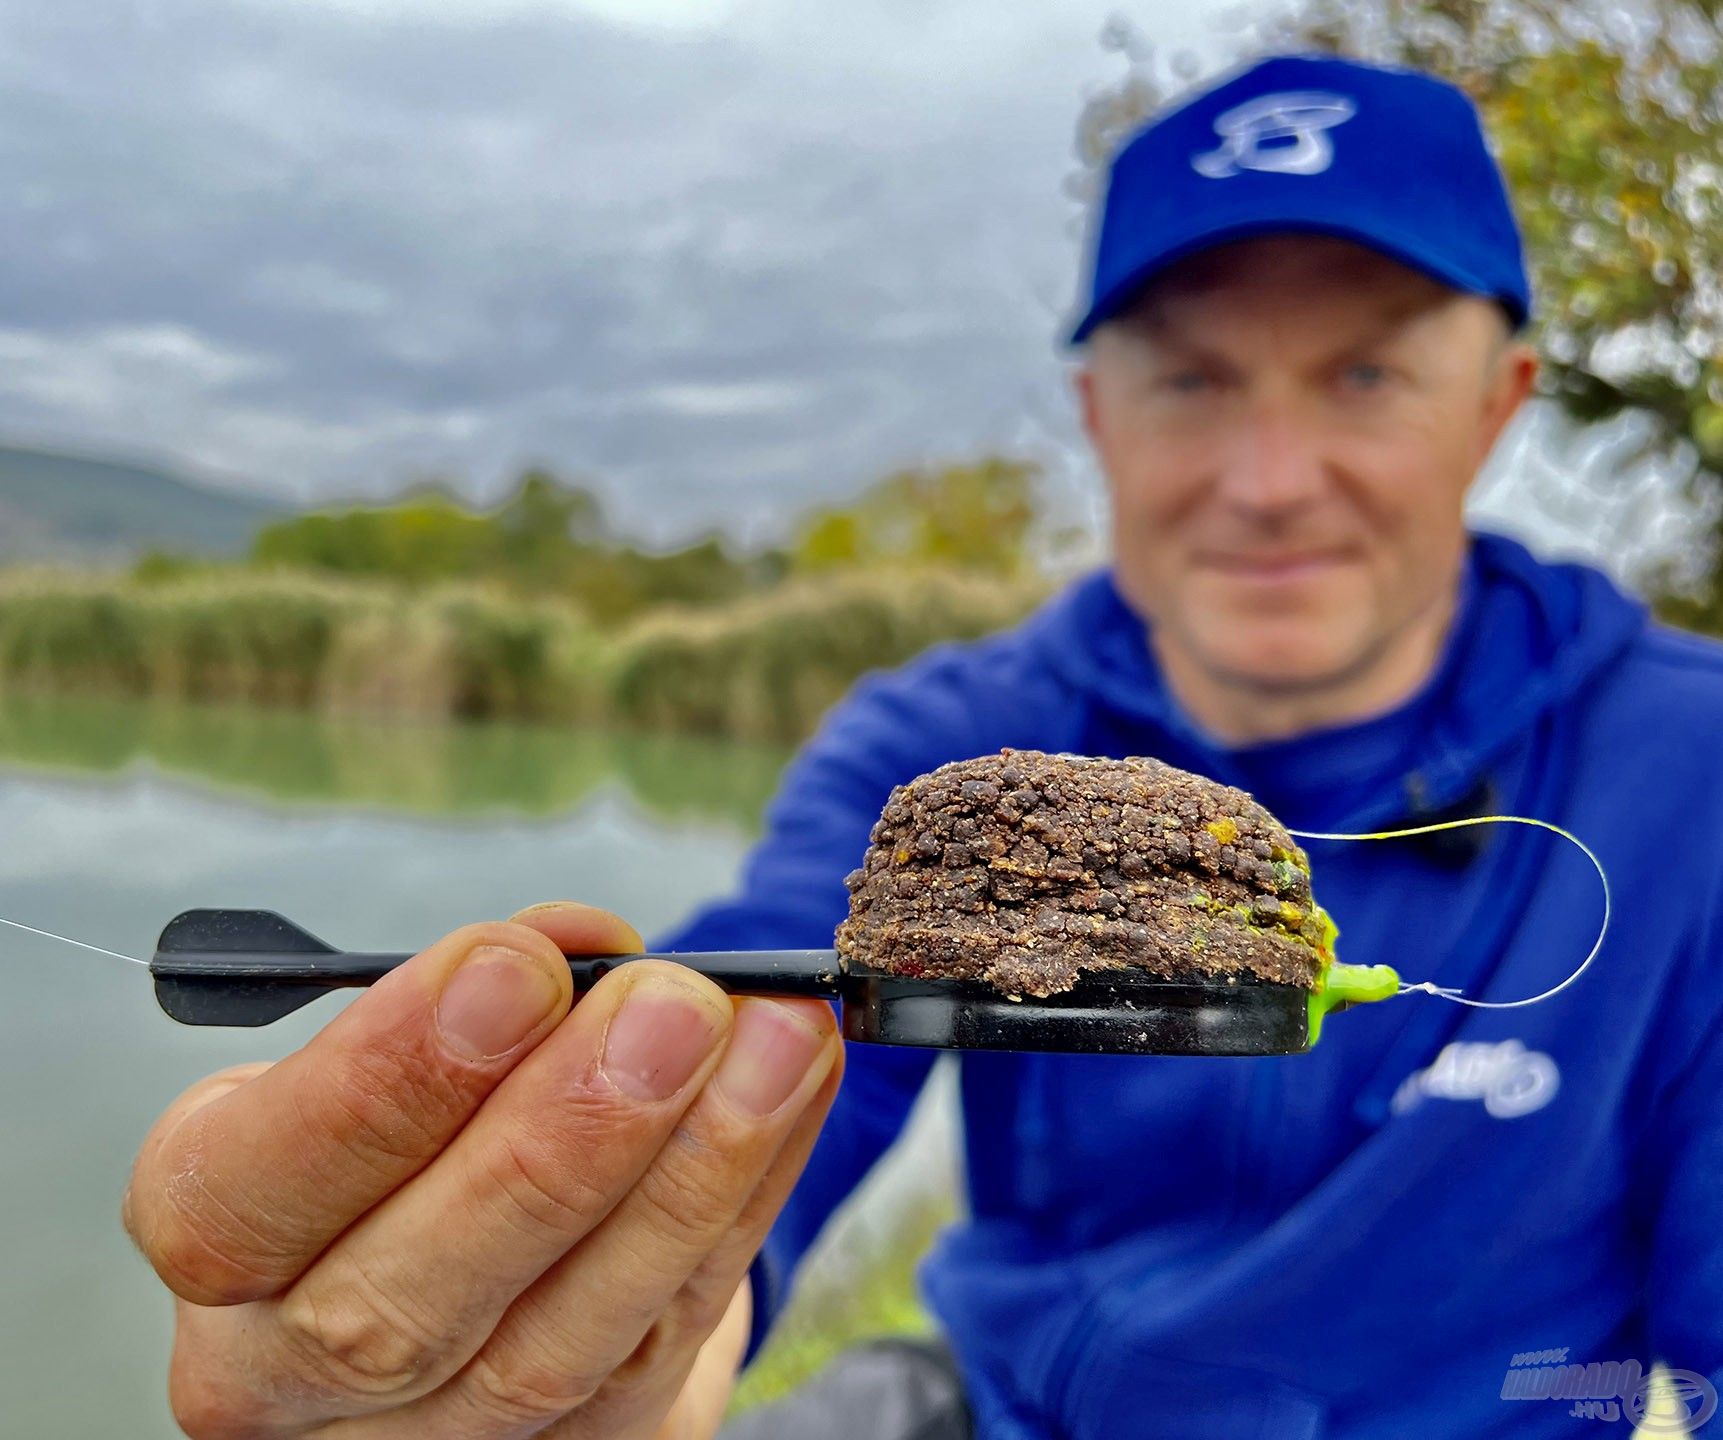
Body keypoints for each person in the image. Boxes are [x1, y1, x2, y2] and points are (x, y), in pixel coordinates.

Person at [122, 53, 1723, 1440]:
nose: (1270, 477)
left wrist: (1565, 1402)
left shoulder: (1695, 775)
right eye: (1190, 379)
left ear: (1501, 402)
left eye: (1366, 373)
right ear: (1098, 414)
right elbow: (757, 1091)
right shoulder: (933, 742)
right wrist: (597, 1324)